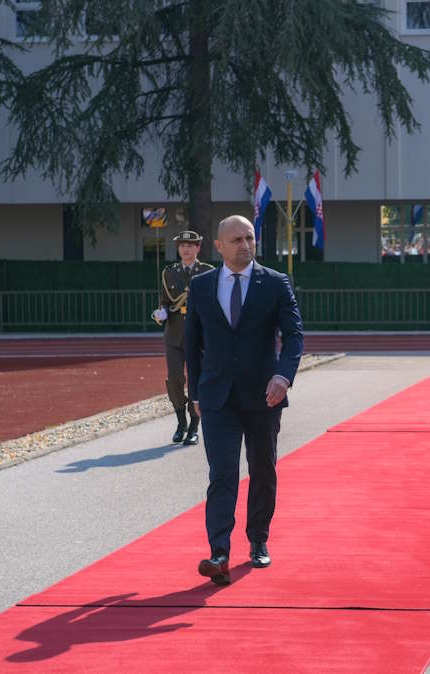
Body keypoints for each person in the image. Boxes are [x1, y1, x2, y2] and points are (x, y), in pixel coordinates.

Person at [185, 215, 304, 584]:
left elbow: (294, 335)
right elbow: (193, 344)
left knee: (263, 471)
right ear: (219, 246)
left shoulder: (275, 283)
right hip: (217, 398)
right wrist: (195, 394)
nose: (245, 245)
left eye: (249, 238)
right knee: (221, 474)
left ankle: (258, 540)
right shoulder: (202, 286)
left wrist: (283, 377)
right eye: (236, 239)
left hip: (263, 397)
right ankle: (219, 552)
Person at [152, 230, 214, 445]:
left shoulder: (208, 272)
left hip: (199, 335)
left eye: (190, 245)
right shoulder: (169, 273)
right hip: (175, 334)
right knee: (175, 379)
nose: (186, 249)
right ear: (178, 249)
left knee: (197, 381)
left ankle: (194, 427)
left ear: (198, 248)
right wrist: (162, 312)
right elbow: (165, 301)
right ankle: (181, 422)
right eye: (182, 245)